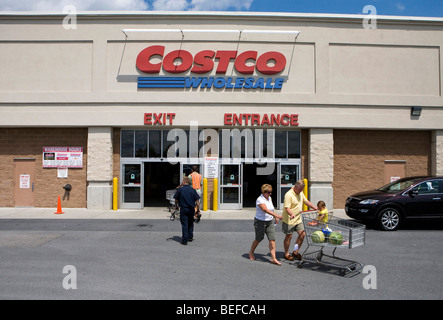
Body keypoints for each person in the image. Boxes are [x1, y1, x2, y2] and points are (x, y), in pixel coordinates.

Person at [248, 184, 283, 265]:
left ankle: (273, 258)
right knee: (259, 238)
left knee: (272, 239)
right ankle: (251, 252)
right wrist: (276, 216)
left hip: (269, 221)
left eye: (270, 192)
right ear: (263, 192)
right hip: (260, 221)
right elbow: (265, 209)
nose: (270, 194)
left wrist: (275, 216)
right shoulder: (260, 200)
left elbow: (271, 208)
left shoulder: (269, 198)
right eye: (268, 192)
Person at [282, 180, 317, 261]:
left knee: (302, 234)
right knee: (289, 236)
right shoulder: (288, 195)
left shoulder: (300, 192)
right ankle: (286, 253)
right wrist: (291, 214)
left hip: (298, 219)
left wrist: (314, 208)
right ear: (295, 186)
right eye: (300, 189)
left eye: (302, 190)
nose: (301, 191)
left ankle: (295, 251)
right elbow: (287, 208)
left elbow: (306, 201)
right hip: (289, 220)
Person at [174, 177, 200, 245]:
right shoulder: (193, 190)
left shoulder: (180, 190)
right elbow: (197, 201)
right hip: (191, 209)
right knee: (190, 223)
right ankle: (190, 237)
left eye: (182, 181)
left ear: (184, 182)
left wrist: (176, 206)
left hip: (183, 209)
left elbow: (176, 199)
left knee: (184, 224)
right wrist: (198, 210)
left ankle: (184, 240)